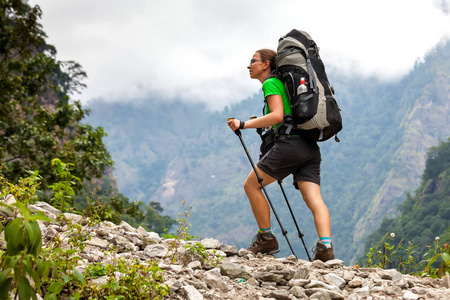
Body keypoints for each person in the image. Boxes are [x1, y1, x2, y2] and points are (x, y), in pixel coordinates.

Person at [227, 49, 334, 262]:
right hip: (309, 146)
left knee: (251, 185)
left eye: (253, 61)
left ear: (266, 64)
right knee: (314, 198)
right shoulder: (287, 85)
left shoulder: (271, 83)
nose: (249, 66)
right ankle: (326, 248)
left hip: (290, 145)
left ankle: (266, 238)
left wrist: (244, 124)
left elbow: (277, 114)